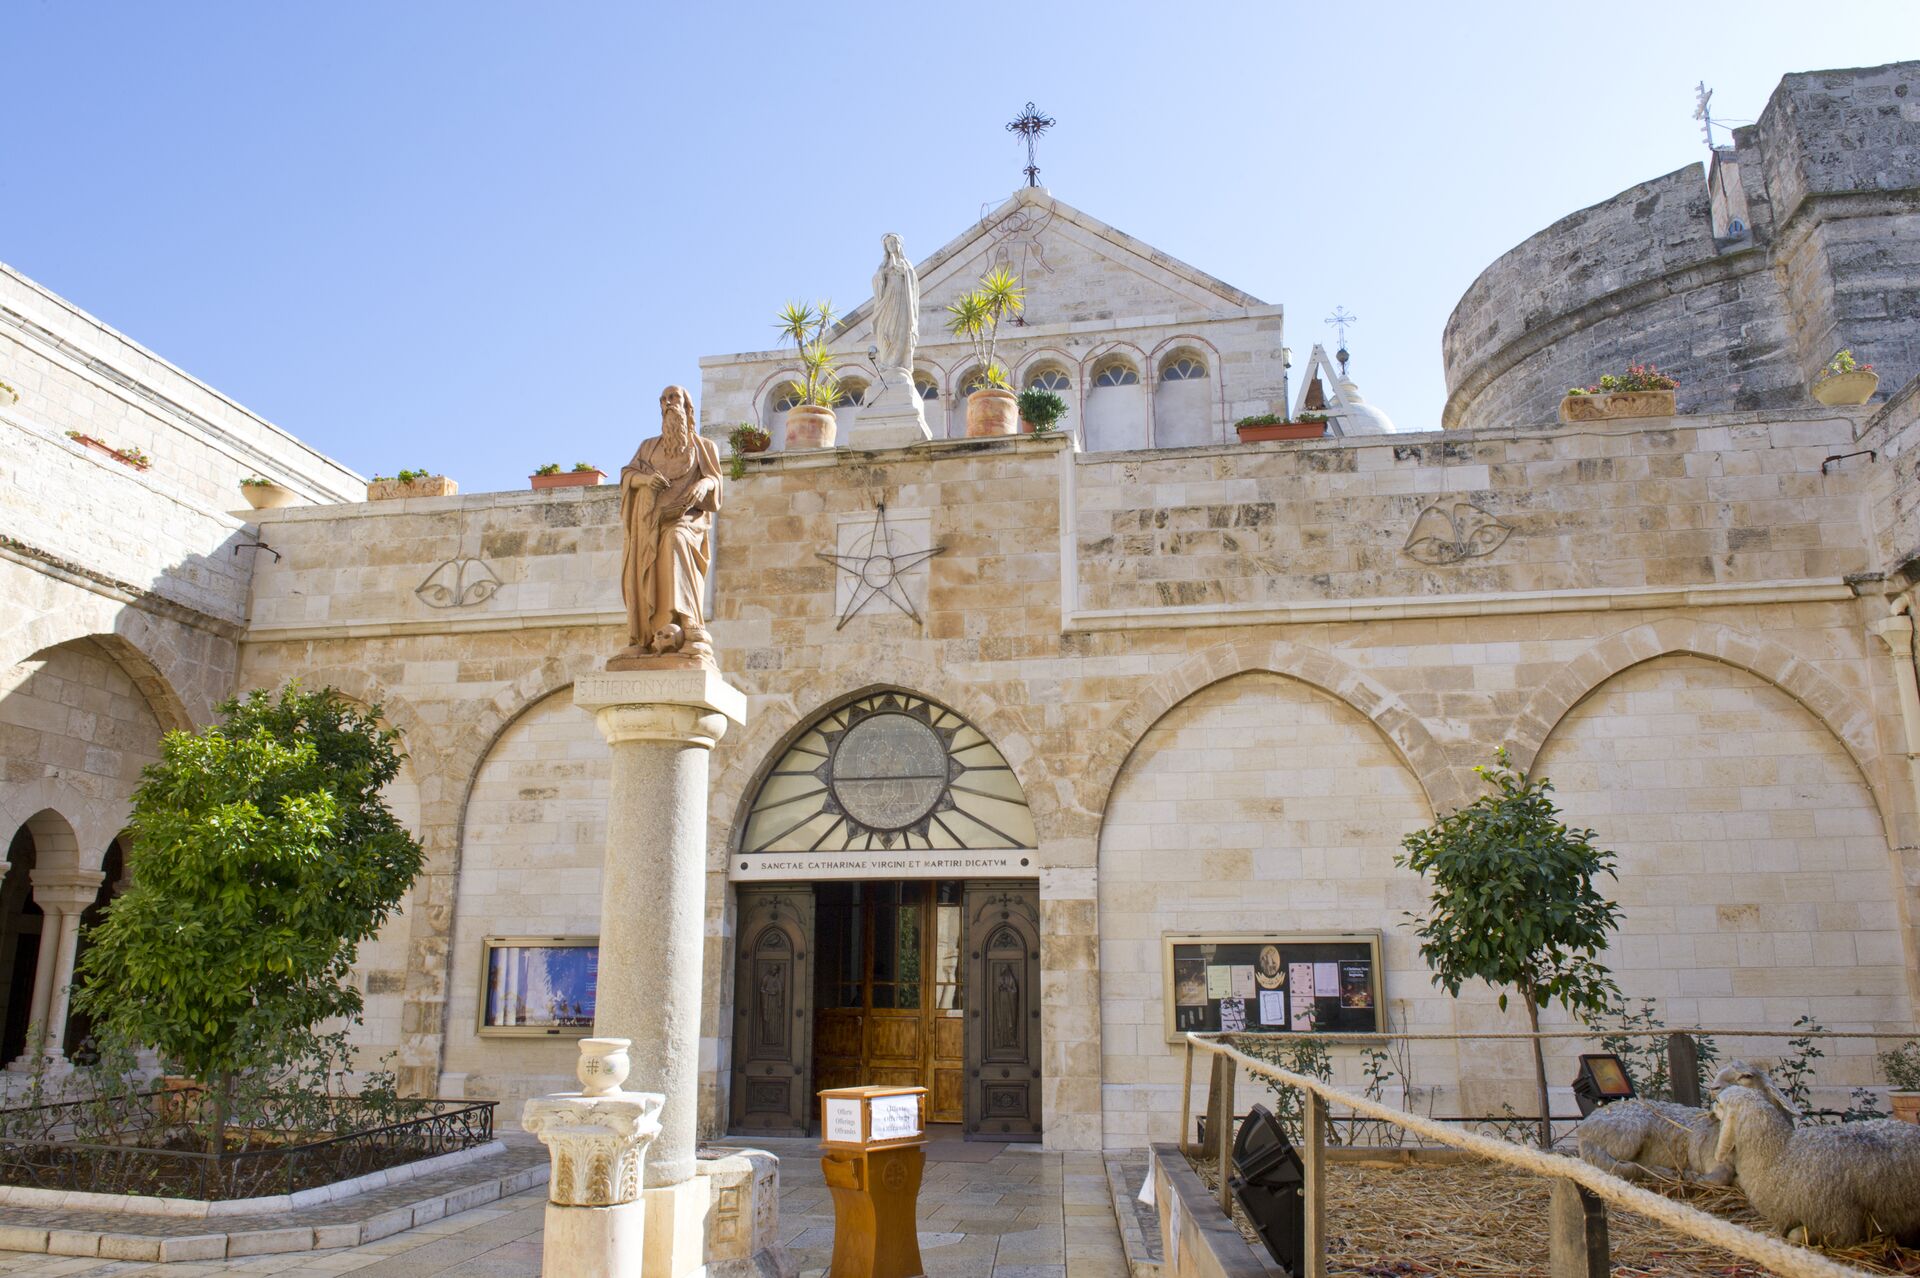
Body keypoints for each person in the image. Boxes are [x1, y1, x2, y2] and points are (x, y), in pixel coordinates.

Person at [616, 385, 723, 664]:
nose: (668, 403)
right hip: (651, 522)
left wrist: (704, 483)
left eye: (674, 397)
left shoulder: (704, 447)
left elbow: (716, 482)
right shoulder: (648, 447)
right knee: (656, 548)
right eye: (663, 399)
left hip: (687, 521)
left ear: (687, 406)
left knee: (676, 539)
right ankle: (647, 635)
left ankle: (689, 624)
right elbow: (628, 475)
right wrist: (645, 481)